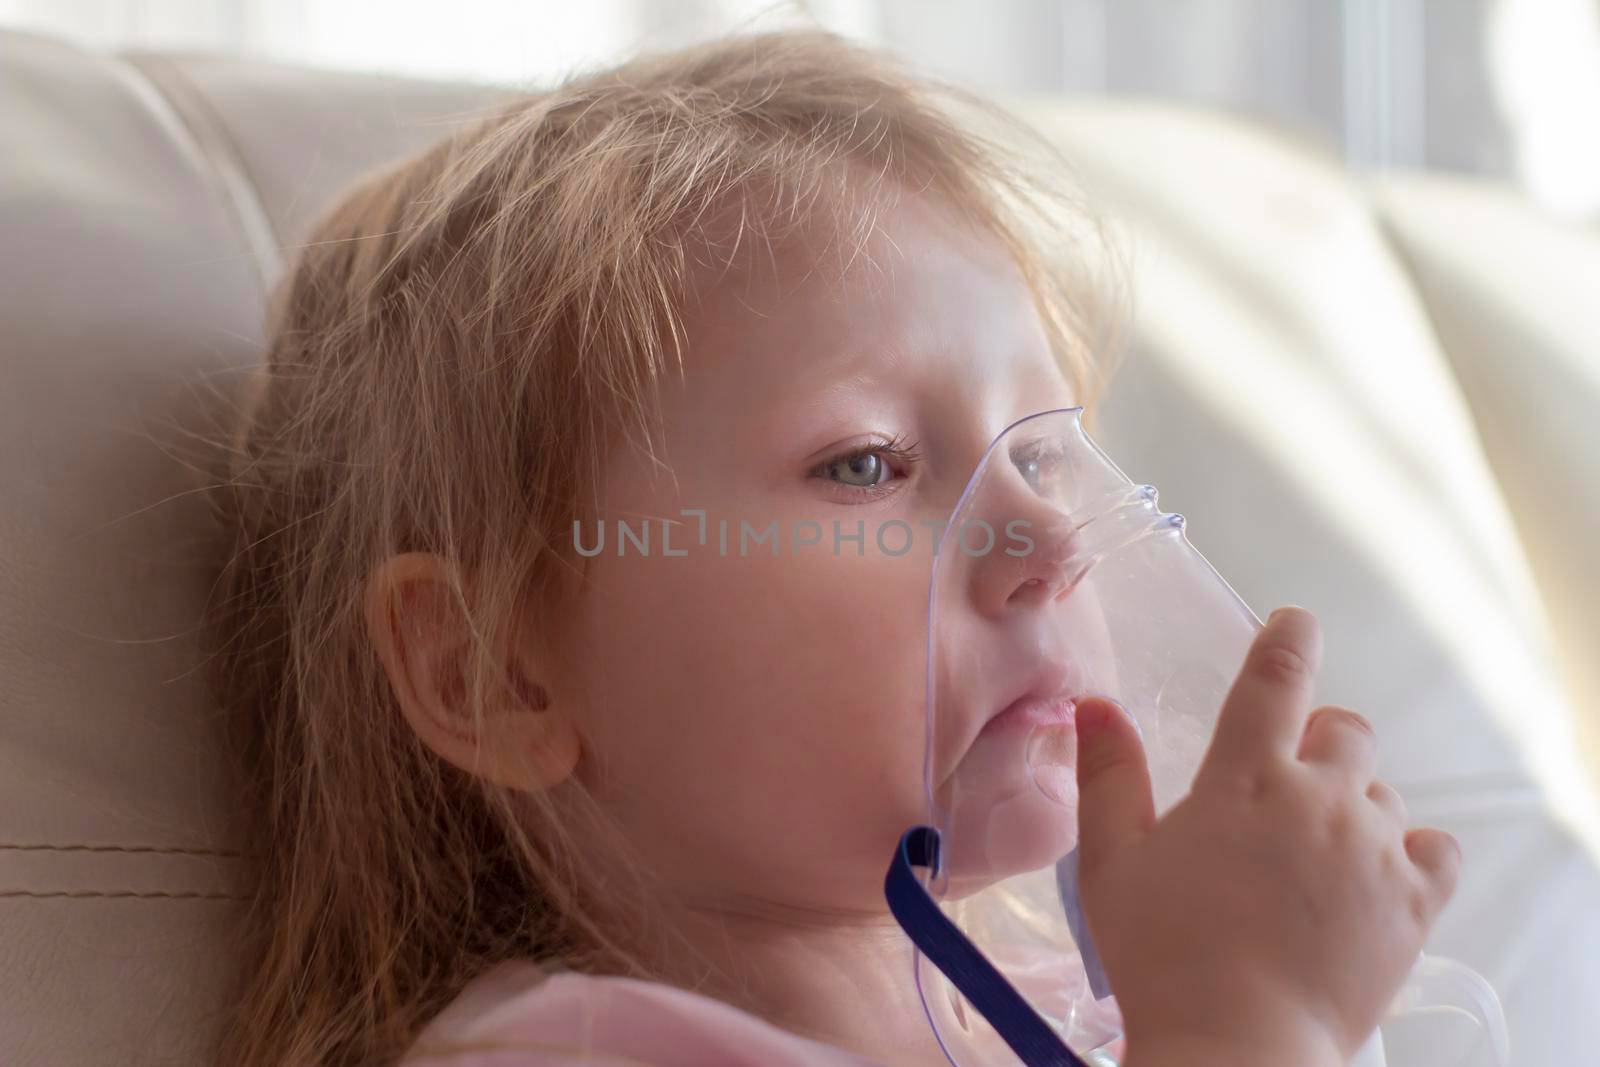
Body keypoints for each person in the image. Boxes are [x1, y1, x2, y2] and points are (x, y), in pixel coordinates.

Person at [203, 26, 1459, 1067]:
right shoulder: (571, 1053)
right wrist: (1252, 1025)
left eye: (1043, 451)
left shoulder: (1106, 1000)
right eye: (866, 463)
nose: (1053, 536)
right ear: (495, 671)